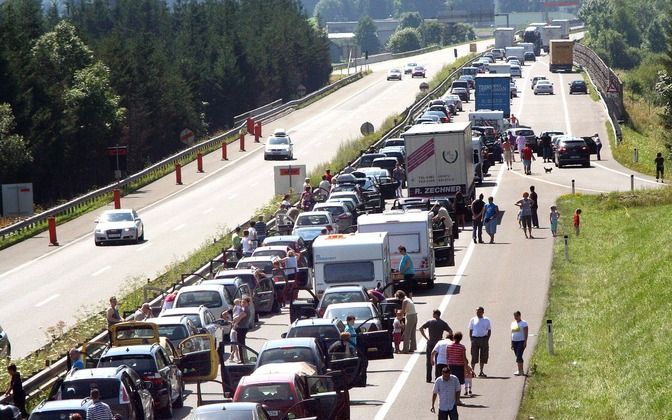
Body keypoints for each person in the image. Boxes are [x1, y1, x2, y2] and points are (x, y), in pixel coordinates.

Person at [420, 310, 453, 383]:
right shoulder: (443, 323)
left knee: (429, 361)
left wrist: (426, 338)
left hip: (430, 342)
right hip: (438, 343)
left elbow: (420, 328)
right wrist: (448, 339)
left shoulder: (430, 321)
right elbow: (450, 331)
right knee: (438, 361)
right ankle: (437, 377)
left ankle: (428, 378)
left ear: (435, 314)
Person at [468, 306, 492, 377]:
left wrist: (487, 339)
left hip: (484, 339)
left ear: (482, 312)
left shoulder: (486, 320)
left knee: (483, 355)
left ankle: (481, 371)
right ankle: (472, 371)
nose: (478, 313)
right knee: (474, 355)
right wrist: (471, 339)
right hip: (475, 339)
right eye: (477, 311)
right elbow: (470, 330)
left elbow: (489, 330)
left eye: (479, 311)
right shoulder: (473, 320)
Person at [511, 311, 529, 376]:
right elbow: (512, 333)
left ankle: (520, 371)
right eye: (514, 316)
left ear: (519, 315)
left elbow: (526, 333)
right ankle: (520, 370)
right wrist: (511, 343)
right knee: (518, 356)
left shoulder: (524, 323)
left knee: (519, 355)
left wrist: (525, 341)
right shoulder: (513, 323)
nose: (515, 317)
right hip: (514, 341)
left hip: (521, 341)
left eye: (516, 316)